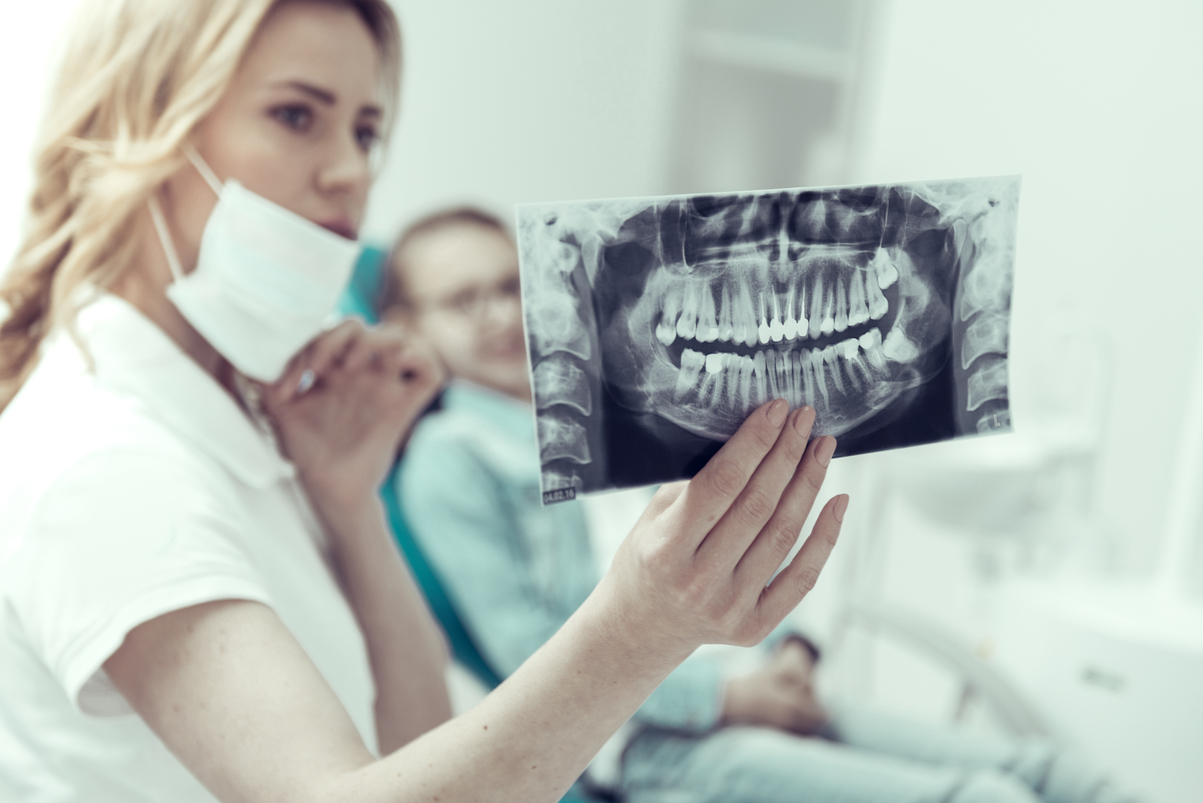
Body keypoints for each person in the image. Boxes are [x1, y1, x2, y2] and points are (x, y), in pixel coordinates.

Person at [0, 2, 848, 802]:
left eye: (365, 130)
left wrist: (349, 502)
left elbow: (418, 736)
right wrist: (637, 630)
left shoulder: (244, 420)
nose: (350, 172)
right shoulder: (104, 457)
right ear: (137, 127)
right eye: (296, 115)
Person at [386, 208, 1143, 803]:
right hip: (649, 735)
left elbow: (738, 542)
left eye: (509, 285)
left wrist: (793, 651)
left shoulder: (628, 407)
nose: (493, 312)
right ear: (408, 326)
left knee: (1045, 771)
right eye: (460, 299)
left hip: (760, 679)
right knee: (978, 795)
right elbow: (527, 646)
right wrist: (726, 697)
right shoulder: (451, 458)